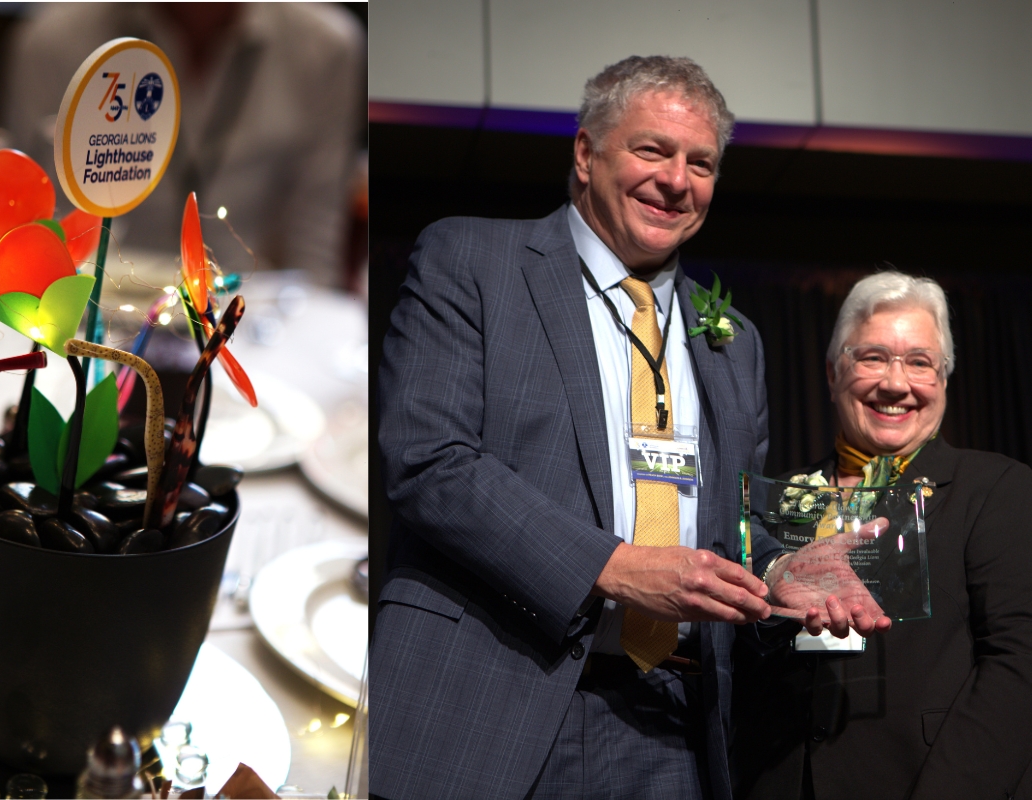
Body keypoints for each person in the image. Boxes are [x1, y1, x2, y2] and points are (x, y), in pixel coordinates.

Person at [373, 56, 881, 800]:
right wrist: (612, 566)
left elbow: (730, 525)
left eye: (700, 162)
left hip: (669, 726)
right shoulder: (474, 261)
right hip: (485, 702)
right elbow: (428, 461)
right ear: (585, 154)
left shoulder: (732, 339)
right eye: (653, 150)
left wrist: (778, 571)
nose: (677, 180)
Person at [732, 271, 1032, 799]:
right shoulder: (778, 505)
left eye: (920, 362)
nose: (895, 383)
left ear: (944, 380)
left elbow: (1018, 667)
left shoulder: (997, 489)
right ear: (831, 374)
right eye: (872, 357)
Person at [0, 3, 364, 286]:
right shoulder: (51, 39)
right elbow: (25, 227)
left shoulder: (326, 46)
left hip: (244, 313)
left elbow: (315, 238)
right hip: (91, 304)